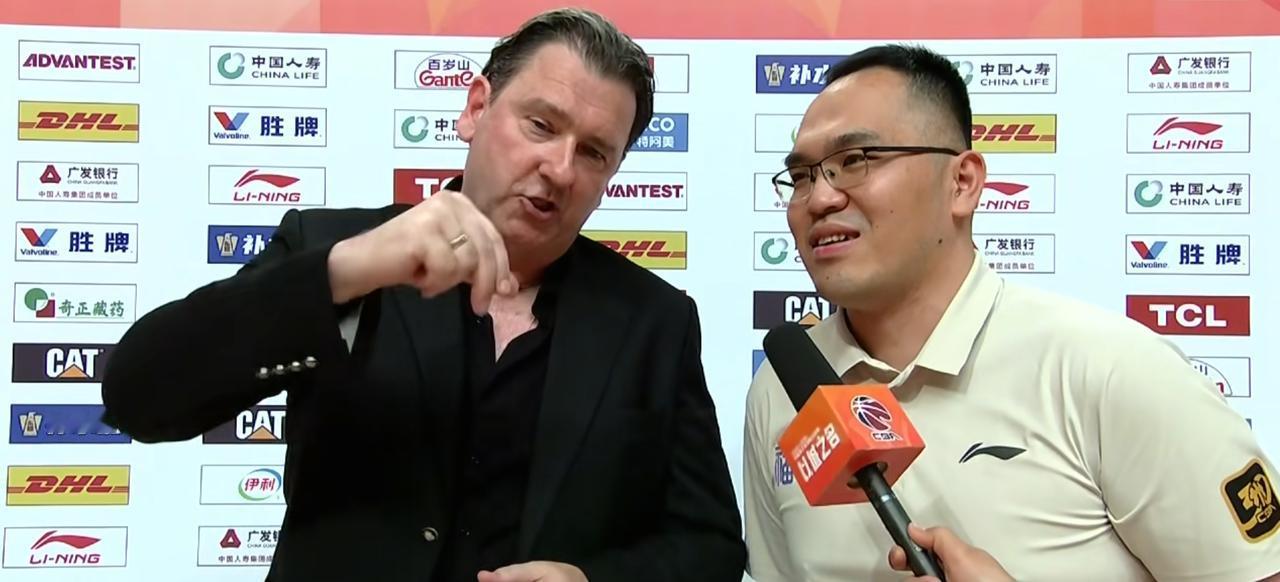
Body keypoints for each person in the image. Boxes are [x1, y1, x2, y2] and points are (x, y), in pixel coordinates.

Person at [100, 8, 746, 582]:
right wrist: (344, 273)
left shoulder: (653, 320)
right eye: (541, 125)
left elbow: (710, 545)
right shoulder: (332, 250)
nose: (559, 168)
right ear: (476, 108)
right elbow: (139, 395)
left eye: (594, 153)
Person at [742, 43, 1280, 582]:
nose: (819, 199)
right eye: (803, 176)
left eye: (855, 161)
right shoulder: (781, 391)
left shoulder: (1110, 369)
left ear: (963, 183)